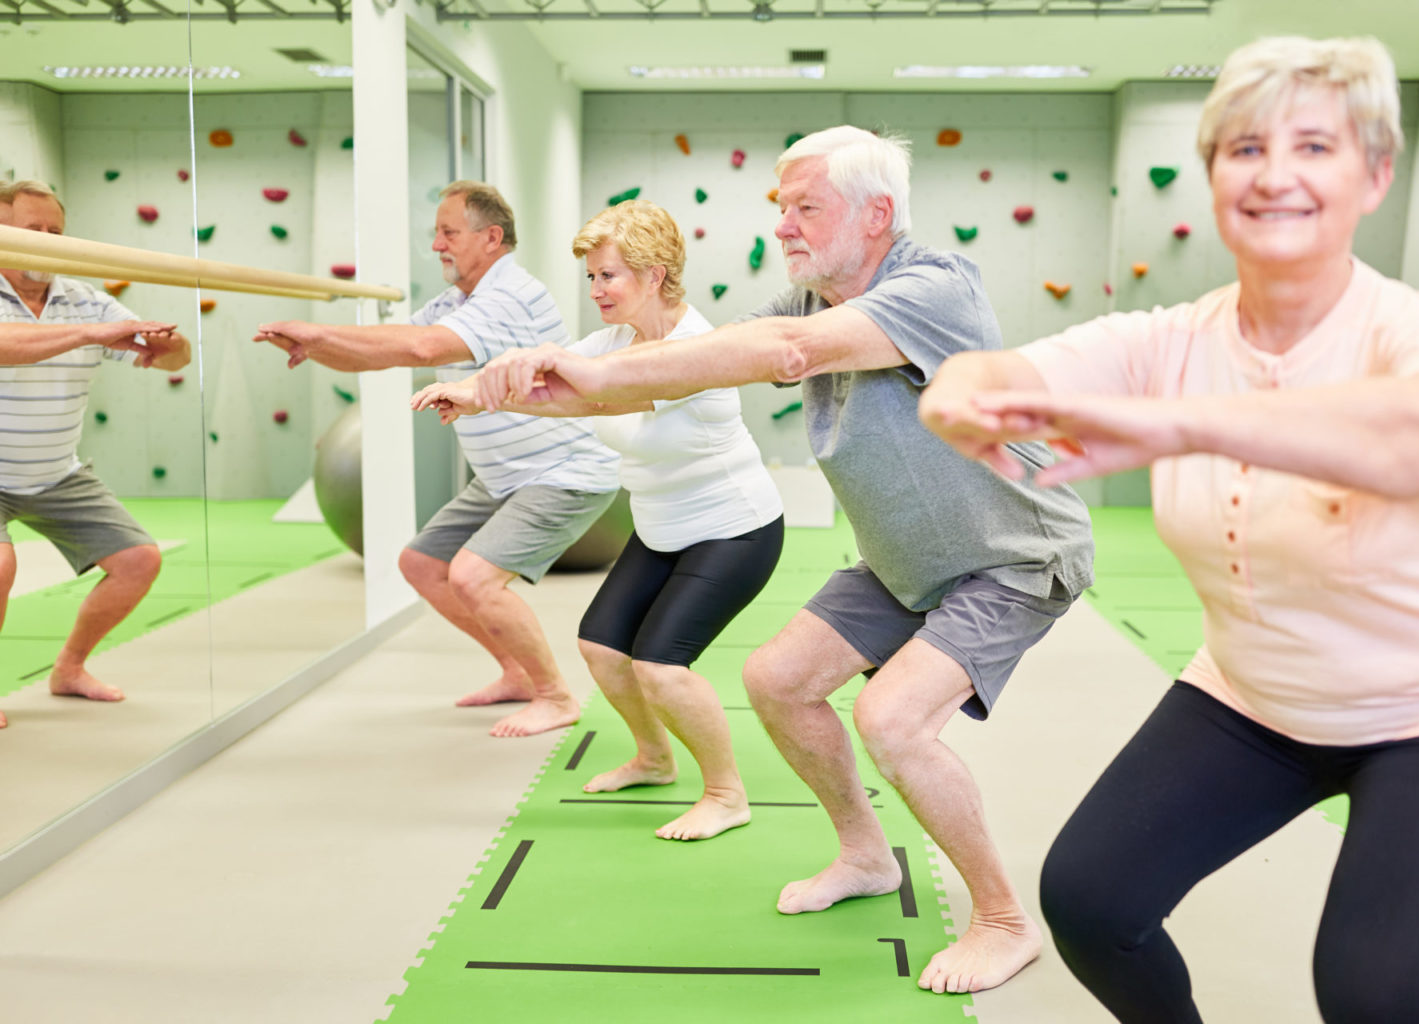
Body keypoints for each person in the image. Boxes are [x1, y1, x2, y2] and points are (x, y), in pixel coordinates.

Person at [920, 35, 1419, 1023]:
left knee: (1380, 997)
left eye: (1315, 148)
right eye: (1244, 149)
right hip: (1255, 696)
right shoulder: (1165, 339)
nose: (1275, 175)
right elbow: (984, 378)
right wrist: (966, 406)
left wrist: (1171, 424)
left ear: (1374, 175)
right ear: (1211, 177)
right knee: (1091, 902)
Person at [470, 128, 1096, 994]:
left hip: (1013, 558)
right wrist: (526, 384)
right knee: (776, 680)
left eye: (807, 208)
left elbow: (780, 355)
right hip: (905, 562)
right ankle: (865, 856)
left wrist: (579, 366)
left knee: (893, 720)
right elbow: (673, 373)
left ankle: (1001, 921)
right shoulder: (806, 300)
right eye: (781, 209)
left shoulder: (932, 286)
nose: (786, 227)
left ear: (877, 214)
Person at [412, 200, 784, 840]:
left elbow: (598, 391)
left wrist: (503, 389)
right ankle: (653, 757)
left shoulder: (696, 349)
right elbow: (560, 381)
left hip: (733, 529)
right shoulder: (612, 344)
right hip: (662, 525)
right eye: (591, 277)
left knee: (661, 667)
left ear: (656, 274)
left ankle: (726, 794)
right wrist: (475, 393)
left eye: (608, 275)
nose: (595, 291)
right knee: (603, 649)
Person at [253, 181, 619, 738]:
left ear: (491, 238)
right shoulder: (459, 302)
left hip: (560, 471)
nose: (437, 245)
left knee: (474, 578)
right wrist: (318, 346)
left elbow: (421, 349)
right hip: (503, 477)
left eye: (448, 233)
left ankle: (556, 696)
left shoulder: (509, 295)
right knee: (421, 564)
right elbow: (386, 350)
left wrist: (321, 329)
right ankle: (517, 673)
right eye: (437, 234)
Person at [0, 180, 191, 729]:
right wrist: (90, 334)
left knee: (138, 561)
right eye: (32, 231)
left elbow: (169, 360)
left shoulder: (84, 297)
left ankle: (69, 669)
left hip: (56, 472)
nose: (46, 241)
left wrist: (165, 343)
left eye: (55, 231)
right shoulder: (84, 316)